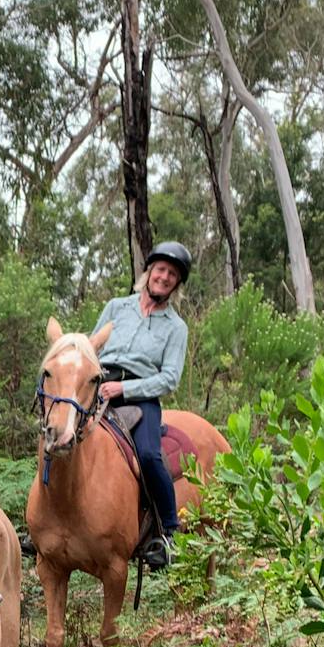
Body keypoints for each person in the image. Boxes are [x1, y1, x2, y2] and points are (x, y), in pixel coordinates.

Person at [94, 241, 191, 571]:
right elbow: (93, 346)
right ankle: (40, 528)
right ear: (149, 272)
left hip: (141, 395)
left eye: (172, 274)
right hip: (99, 387)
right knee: (59, 435)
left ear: (176, 284)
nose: (164, 277)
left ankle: (167, 535)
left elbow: (169, 379)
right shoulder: (116, 307)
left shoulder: (176, 328)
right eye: (161, 270)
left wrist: (125, 387)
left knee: (149, 455)